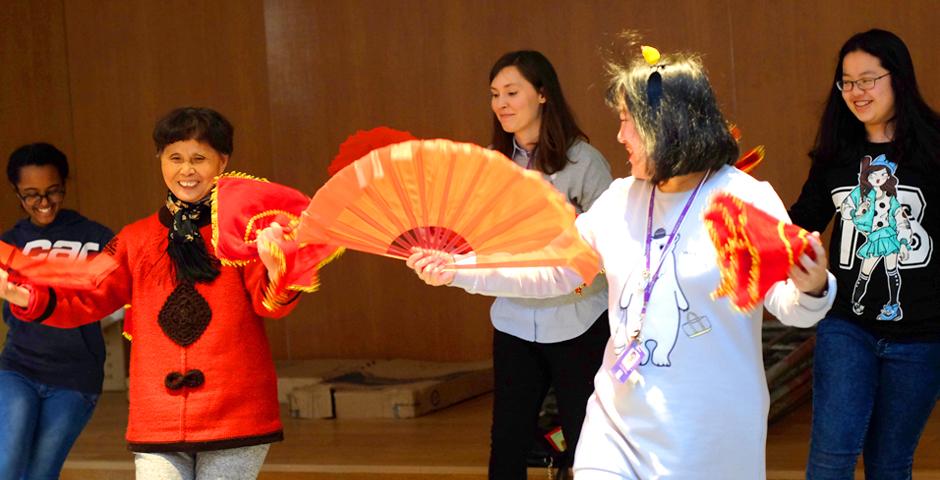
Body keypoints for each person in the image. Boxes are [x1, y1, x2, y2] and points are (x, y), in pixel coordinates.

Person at [409, 44, 834, 479]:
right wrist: (460, 269)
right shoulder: (620, 199)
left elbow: (793, 308)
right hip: (617, 427)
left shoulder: (742, 198)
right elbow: (554, 269)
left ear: (666, 124)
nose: (619, 136)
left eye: (627, 121)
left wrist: (812, 285)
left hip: (710, 435)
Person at [0, 108, 298, 479]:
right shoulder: (134, 238)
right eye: (175, 158)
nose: (186, 170)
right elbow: (88, 295)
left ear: (222, 162)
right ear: (160, 159)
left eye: (199, 159)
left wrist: (278, 268)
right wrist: (27, 298)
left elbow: (272, 305)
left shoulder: (247, 232)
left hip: (236, 416)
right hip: (158, 420)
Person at [789, 28, 940, 480]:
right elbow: (800, 224)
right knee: (830, 459)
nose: (857, 92)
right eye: (848, 82)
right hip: (847, 328)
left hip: (923, 338)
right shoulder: (836, 154)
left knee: (889, 463)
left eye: (868, 79)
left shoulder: (934, 149)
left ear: (899, 78)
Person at [486, 50, 612, 479]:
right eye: (495, 94)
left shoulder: (585, 162)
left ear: (542, 94)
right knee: (507, 441)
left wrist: (566, 226)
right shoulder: (491, 163)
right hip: (514, 318)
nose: (501, 103)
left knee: (587, 440)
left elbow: (612, 243)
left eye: (511, 92)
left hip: (578, 319)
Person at [0, 142, 117, 479]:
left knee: (40, 474)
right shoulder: (9, 244)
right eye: (31, 195)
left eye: (53, 191)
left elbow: (114, 295)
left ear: (64, 184)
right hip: (19, 367)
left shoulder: (98, 237)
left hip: (76, 378)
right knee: (7, 466)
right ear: (17, 193)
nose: (44, 202)